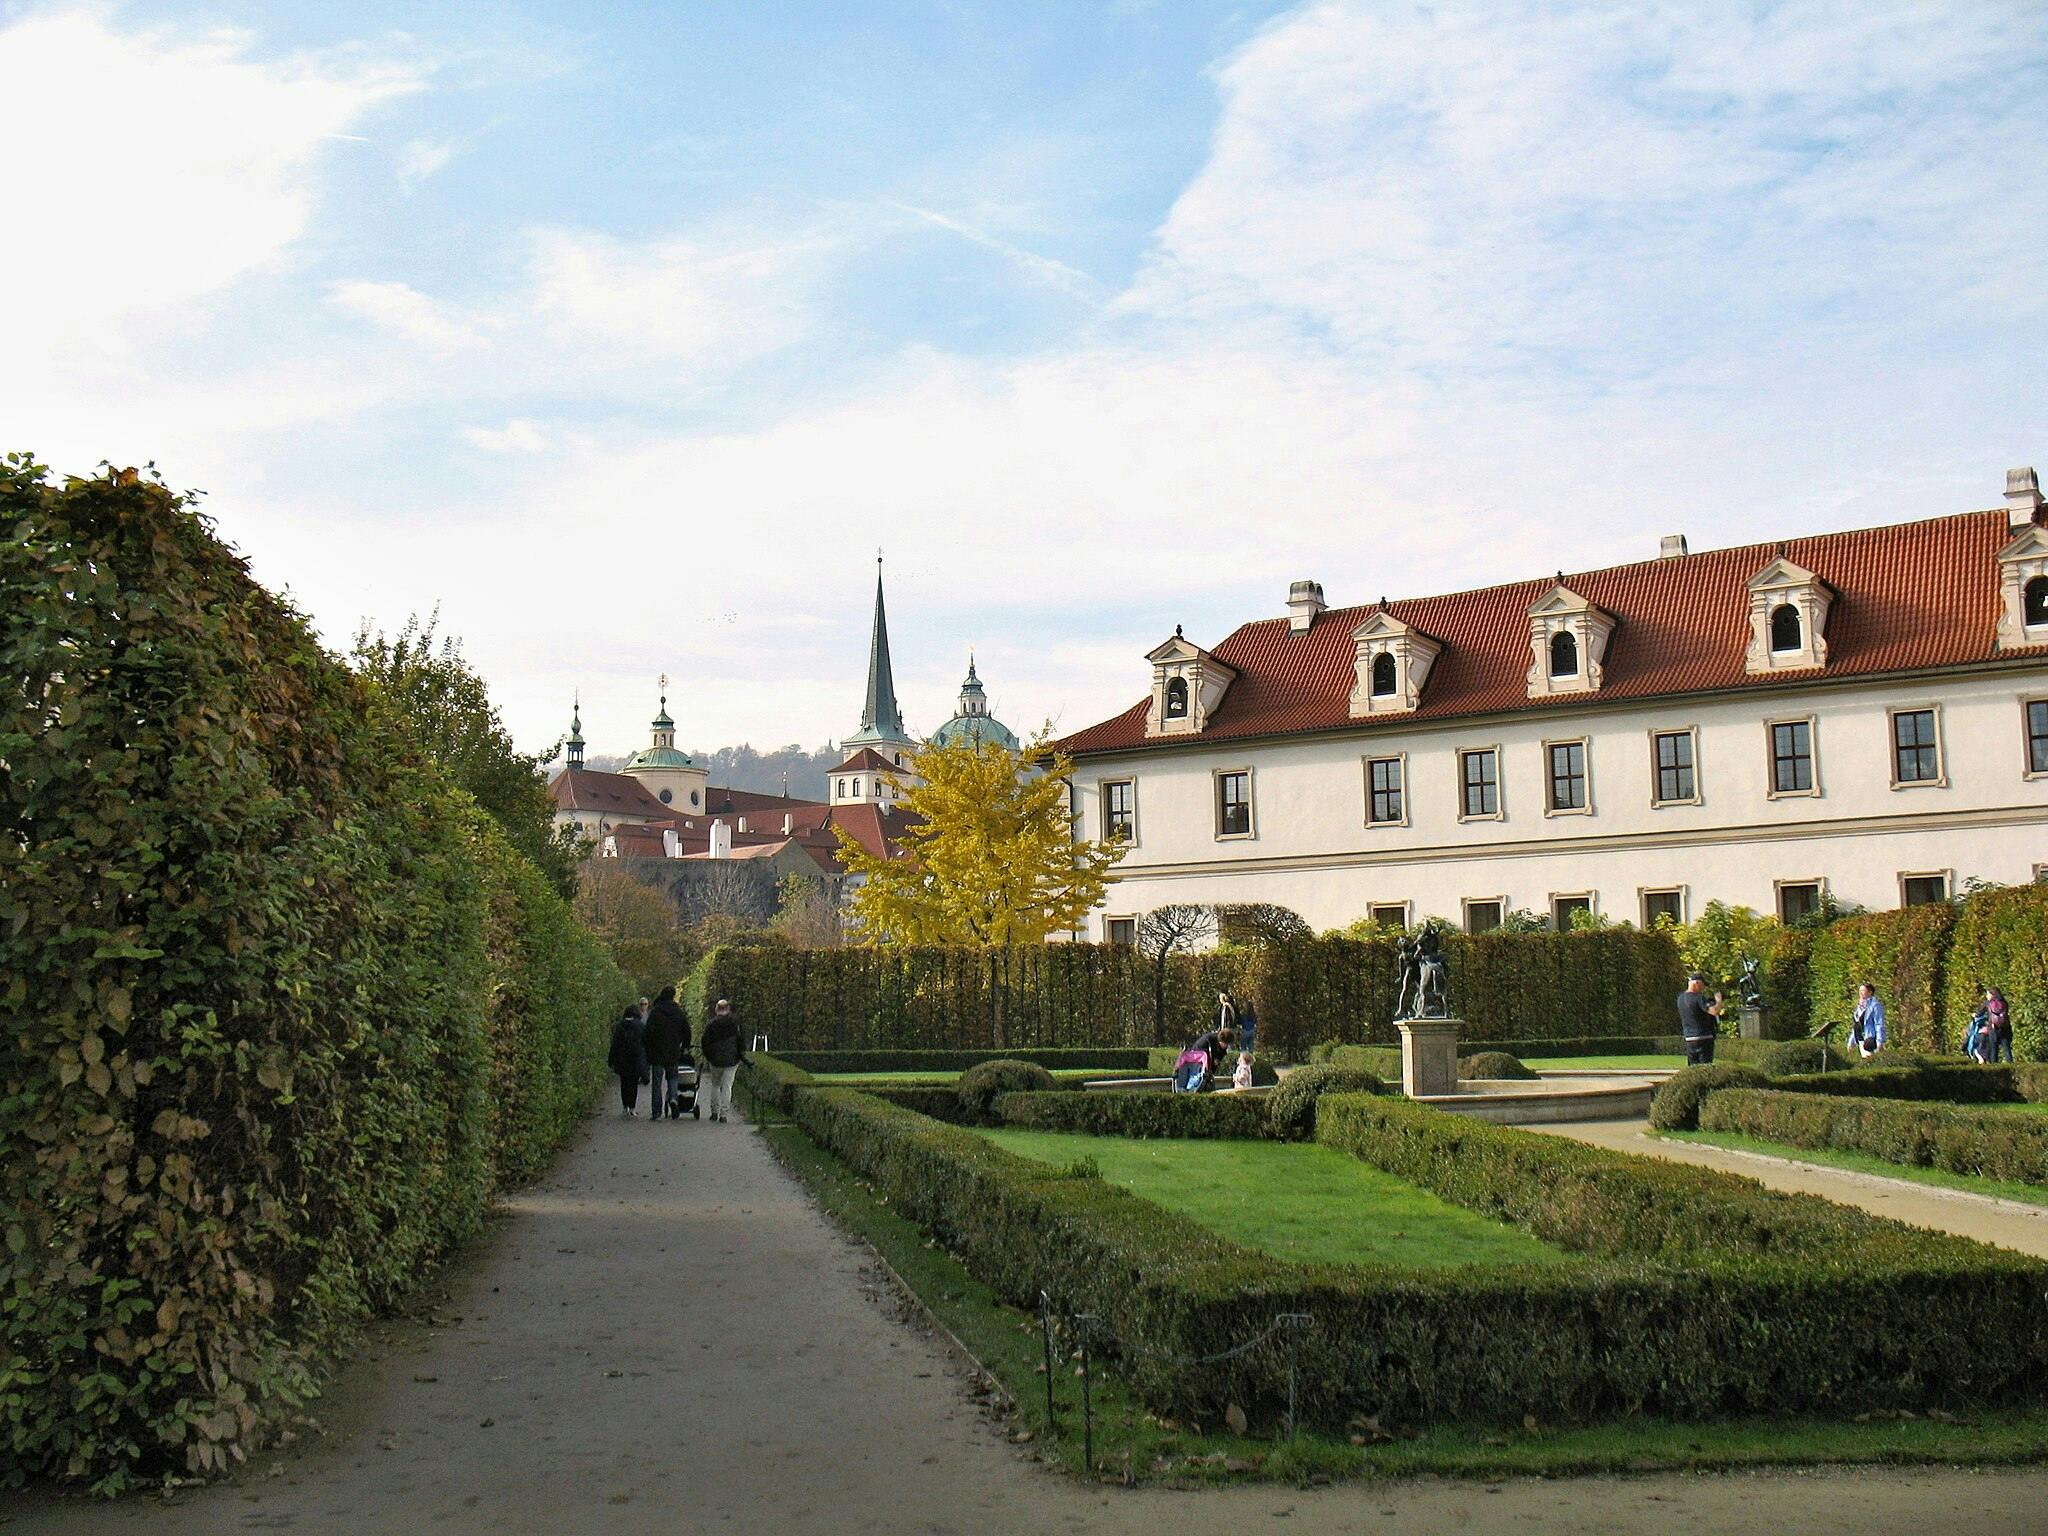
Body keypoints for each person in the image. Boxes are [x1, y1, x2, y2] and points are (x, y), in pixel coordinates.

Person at [642, 986, 691, 1122]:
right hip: (673, 1051)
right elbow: (686, 1030)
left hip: (657, 1052)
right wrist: (685, 1046)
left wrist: (648, 1048)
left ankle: (656, 1112)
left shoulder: (655, 1012)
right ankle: (674, 1098)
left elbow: (647, 1033)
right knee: (673, 1078)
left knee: (657, 1083)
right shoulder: (678, 1012)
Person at [699, 999, 748, 1123]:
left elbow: (705, 1042)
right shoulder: (735, 1023)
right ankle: (724, 1114)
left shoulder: (711, 1024)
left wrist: (709, 1056)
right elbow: (741, 1041)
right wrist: (740, 1055)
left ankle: (714, 1112)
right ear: (728, 1009)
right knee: (727, 1086)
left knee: (715, 1085)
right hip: (731, 1060)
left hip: (715, 1059)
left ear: (717, 1009)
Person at [608, 1004, 646, 1118]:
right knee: (633, 1084)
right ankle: (632, 1108)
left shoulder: (619, 1025)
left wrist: (611, 1059)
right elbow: (645, 1042)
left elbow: (614, 1044)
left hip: (622, 1058)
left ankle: (625, 1107)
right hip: (635, 1057)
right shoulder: (640, 1025)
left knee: (624, 1083)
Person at [1676, 973, 1722, 1066]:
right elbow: (1714, 1011)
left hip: (1689, 1037)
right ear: (1696, 983)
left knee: (1693, 1067)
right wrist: (1719, 1001)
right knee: (1705, 1067)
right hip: (1703, 1037)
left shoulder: (1680, 998)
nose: (1703, 987)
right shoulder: (1698, 998)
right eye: (1703, 984)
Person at [1850, 983, 1887, 1059]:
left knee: (1872, 1061)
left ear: (1870, 992)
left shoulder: (1875, 1005)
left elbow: (1879, 1024)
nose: (1860, 992)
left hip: (1871, 1040)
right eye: (1859, 990)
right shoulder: (1859, 1007)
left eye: (1863, 990)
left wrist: (1879, 1042)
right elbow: (1857, 1024)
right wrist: (1851, 1041)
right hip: (1861, 1040)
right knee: (1865, 1061)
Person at [1987, 986, 2013, 1063]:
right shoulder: (2004, 1002)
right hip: (2005, 1027)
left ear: (1992, 994)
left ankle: (1994, 1069)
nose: (1987, 996)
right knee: (2006, 1048)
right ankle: (2011, 1065)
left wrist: (1975, 1015)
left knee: (1994, 1049)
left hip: (1993, 1028)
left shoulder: (1989, 1003)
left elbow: (1979, 1013)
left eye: (1988, 994)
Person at [1233, 994, 1258, 1059]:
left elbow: (1241, 1022)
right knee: (1250, 1046)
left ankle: (1243, 1059)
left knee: (1243, 1046)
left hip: (1245, 1030)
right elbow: (1255, 1022)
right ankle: (1251, 1059)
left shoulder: (1244, 1014)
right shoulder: (1253, 1014)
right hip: (1252, 1030)